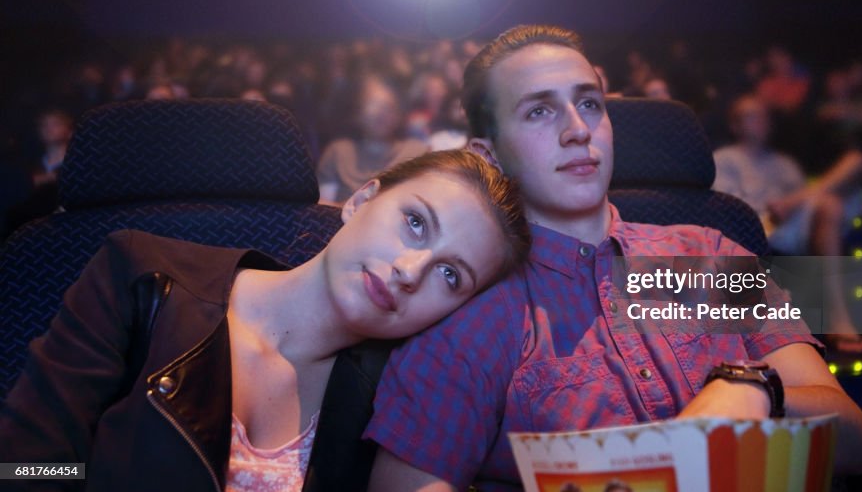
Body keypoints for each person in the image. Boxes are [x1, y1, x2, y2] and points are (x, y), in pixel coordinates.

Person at [366, 25, 862, 491]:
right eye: (539, 111)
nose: (577, 130)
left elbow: (852, 438)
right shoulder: (468, 314)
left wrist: (754, 389)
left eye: (589, 104)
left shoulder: (713, 254)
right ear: (489, 155)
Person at [0, 149, 530, 492]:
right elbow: (23, 466)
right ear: (362, 199)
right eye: (414, 222)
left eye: (451, 276)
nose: (410, 272)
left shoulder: (397, 398)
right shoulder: (141, 275)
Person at [712, 96, 862, 354]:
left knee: (834, 198)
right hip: (758, 226)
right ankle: (839, 319)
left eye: (763, 115)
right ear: (736, 126)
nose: (760, 121)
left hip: (791, 226)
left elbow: (809, 215)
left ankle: (843, 316)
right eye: (752, 116)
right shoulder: (724, 160)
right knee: (832, 198)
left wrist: (792, 204)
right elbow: (726, 212)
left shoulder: (784, 164)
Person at [316, 74, 428, 206]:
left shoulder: (417, 153)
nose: (380, 113)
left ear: (399, 115)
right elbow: (322, 206)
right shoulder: (338, 151)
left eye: (388, 107)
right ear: (358, 112)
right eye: (373, 104)